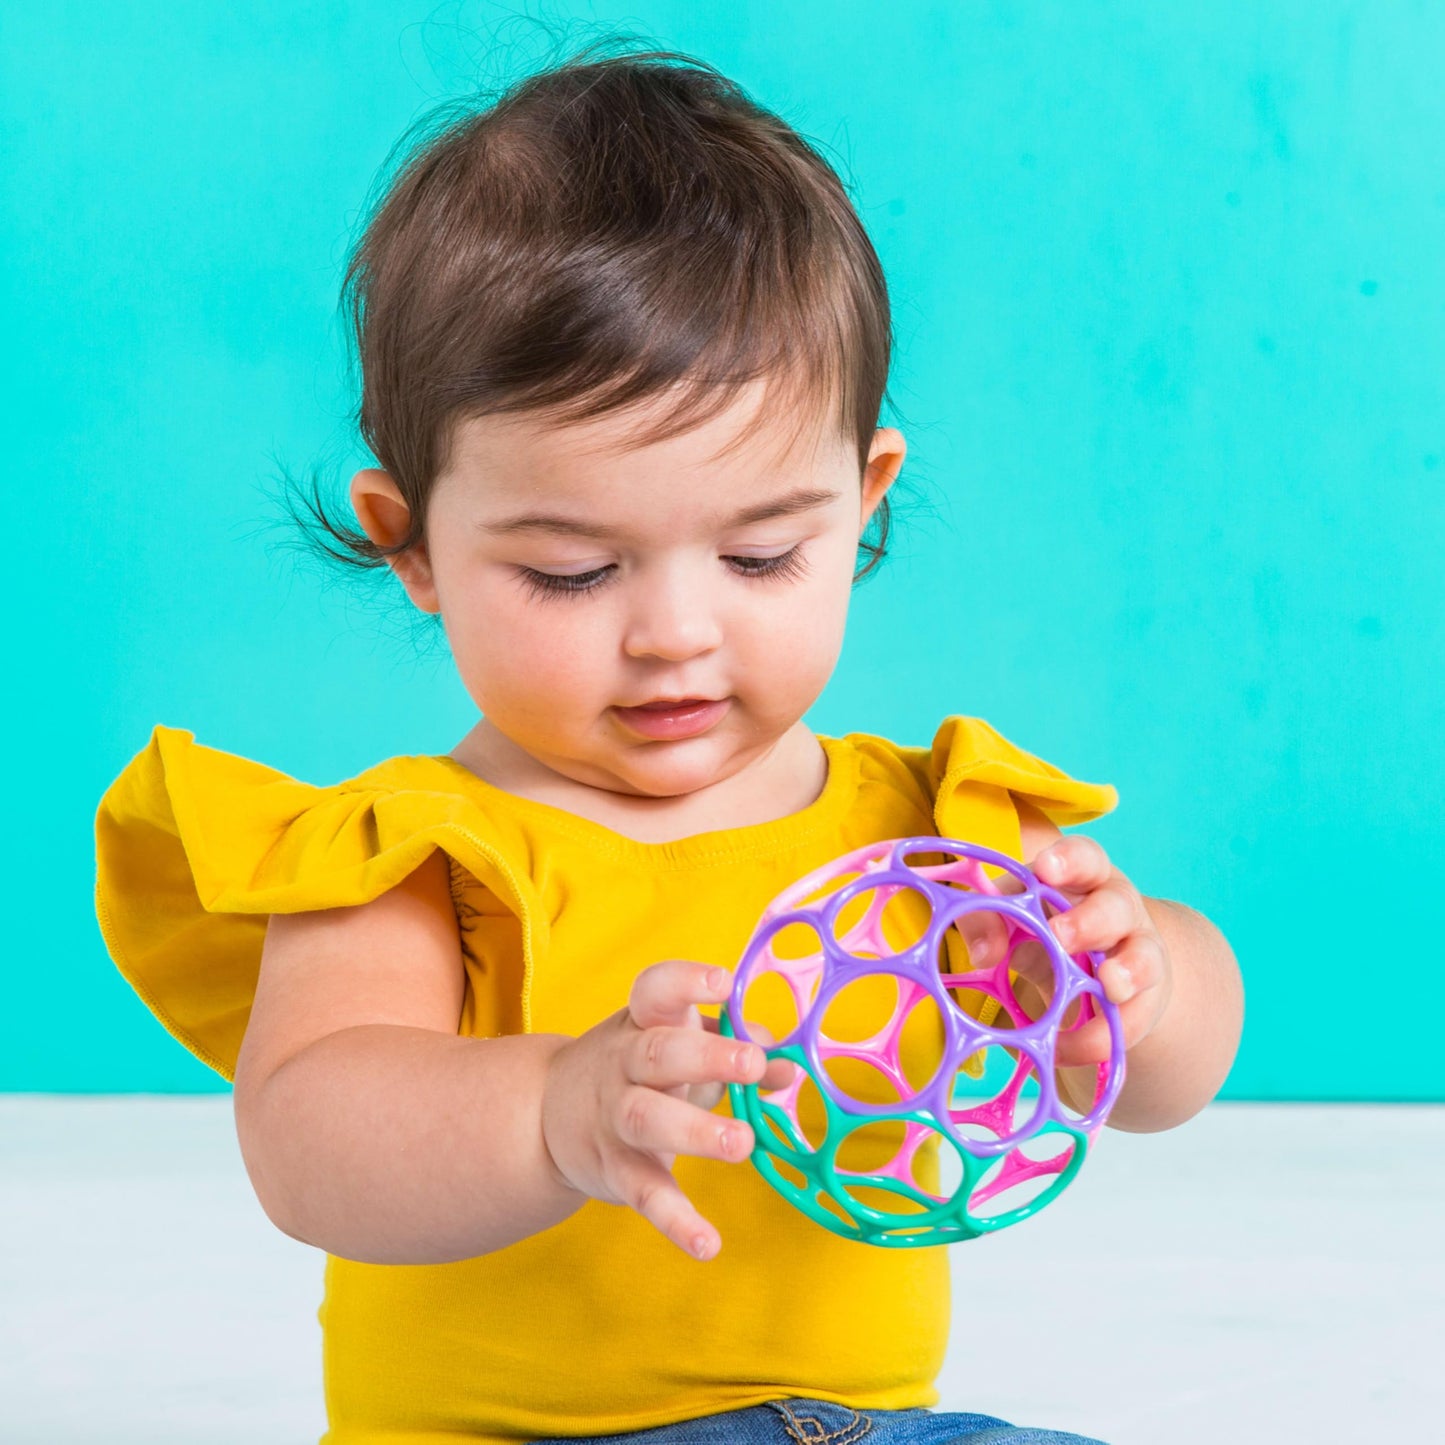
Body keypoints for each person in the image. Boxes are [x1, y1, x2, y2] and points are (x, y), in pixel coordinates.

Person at [93, 39, 1244, 1445]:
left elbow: (1159, 1088)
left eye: (761, 555)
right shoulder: (410, 854)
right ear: (414, 546)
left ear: (862, 497)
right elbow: (307, 1139)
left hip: (866, 1427)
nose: (675, 635)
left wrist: (1145, 982)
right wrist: (551, 1110)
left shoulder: (934, 827)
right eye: (575, 573)